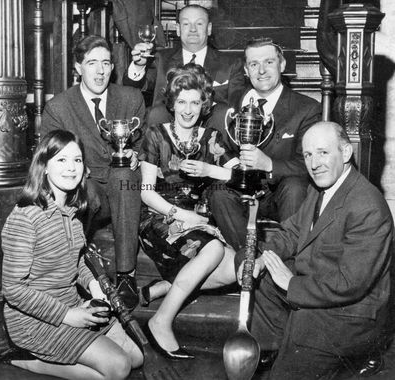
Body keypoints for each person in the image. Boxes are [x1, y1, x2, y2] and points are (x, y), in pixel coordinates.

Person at [236, 121, 393, 379]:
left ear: (345, 153)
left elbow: (350, 283)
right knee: (249, 262)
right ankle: (279, 345)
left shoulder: (367, 205)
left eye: (323, 152)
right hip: (317, 292)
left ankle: (302, 350)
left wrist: (292, 285)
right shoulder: (319, 189)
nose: (314, 163)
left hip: (350, 315)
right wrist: (261, 258)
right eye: (308, 155)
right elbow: (291, 233)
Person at [2, 130, 143, 380]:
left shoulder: (73, 212)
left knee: (136, 357)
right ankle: (28, 360)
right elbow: (13, 289)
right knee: (118, 368)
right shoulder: (26, 217)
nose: (71, 168)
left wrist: (92, 284)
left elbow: (76, 261)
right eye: (62, 160)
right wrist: (67, 316)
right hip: (34, 321)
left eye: (77, 160)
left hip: (73, 305)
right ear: (44, 167)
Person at [137, 63, 238, 359]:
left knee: (235, 268)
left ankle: (163, 287)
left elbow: (244, 177)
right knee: (214, 252)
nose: (188, 109)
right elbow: (145, 194)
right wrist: (187, 217)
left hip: (198, 220)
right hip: (160, 218)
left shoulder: (213, 139)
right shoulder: (156, 134)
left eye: (195, 101)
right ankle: (161, 321)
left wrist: (211, 170)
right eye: (181, 101)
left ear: (204, 104)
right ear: (172, 102)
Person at [41, 35, 146, 311]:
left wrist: (137, 154)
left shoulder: (131, 97)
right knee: (83, 189)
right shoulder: (59, 107)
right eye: (91, 63)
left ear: (113, 67)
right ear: (77, 67)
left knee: (124, 176)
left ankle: (126, 276)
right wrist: (73, 165)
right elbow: (50, 156)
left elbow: (145, 144)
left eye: (106, 63)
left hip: (124, 188)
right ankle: (75, 275)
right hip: (87, 188)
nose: (100, 71)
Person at [209, 37, 322, 251]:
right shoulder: (231, 107)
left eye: (268, 62)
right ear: (246, 69)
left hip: (281, 193)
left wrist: (268, 164)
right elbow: (222, 147)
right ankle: (250, 258)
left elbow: (309, 163)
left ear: (282, 64)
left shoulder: (306, 108)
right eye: (254, 64)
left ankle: (290, 263)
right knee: (217, 192)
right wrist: (226, 158)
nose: (261, 70)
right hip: (240, 188)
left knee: (295, 187)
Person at [123, 4, 244, 118]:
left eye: (199, 24)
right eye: (186, 24)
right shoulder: (160, 59)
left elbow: (236, 107)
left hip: (212, 131)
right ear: (178, 29)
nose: (193, 29)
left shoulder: (231, 63)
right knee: (157, 112)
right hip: (167, 128)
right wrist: (139, 65)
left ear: (209, 29)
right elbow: (132, 88)